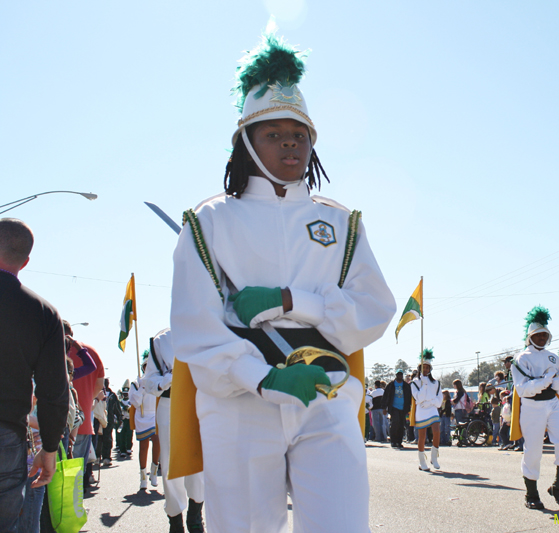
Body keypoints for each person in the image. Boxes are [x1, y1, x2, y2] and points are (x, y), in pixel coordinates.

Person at [169, 23, 396, 533]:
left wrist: (294, 300)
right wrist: (263, 377)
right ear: (246, 144)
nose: (289, 146)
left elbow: (374, 308)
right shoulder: (208, 223)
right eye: (273, 134)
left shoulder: (341, 222)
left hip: (326, 392)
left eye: (299, 136)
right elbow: (195, 329)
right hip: (238, 405)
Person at [0, 218, 69, 532]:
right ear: (25, 262)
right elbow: (54, 391)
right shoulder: (43, 313)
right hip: (7, 437)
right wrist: (50, 448)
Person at [142, 329, 205, 532]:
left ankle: (195, 517)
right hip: (170, 403)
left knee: (199, 463)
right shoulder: (161, 341)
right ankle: (175, 521)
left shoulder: (206, 331)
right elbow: (149, 381)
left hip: (200, 401)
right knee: (170, 466)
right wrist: (168, 379)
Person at [512, 306, 559, 510]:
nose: (541, 338)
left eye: (544, 335)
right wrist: (545, 380)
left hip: (553, 404)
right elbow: (523, 389)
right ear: (530, 336)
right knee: (534, 450)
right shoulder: (522, 358)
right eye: (537, 335)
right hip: (532, 407)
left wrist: (554, 383)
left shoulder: (554, 358)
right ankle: (531, 494)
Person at [65, 321, 104, 494]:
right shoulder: (90, 352)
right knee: (77, 470)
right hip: (81, 420)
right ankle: (74, 508)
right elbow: (98, 381)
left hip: (53, 424)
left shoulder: (48, 354)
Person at [129, 356, 161, 489]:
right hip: (142, 417)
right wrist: (142, 388)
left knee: (157, 441)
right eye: (145, 366)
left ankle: (153, 472)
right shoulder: (136, 384)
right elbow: (135, 402)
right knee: (143, 447)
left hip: (155, 415)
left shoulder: (157, 380)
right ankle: (143, 477)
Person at [410, 350, 443, 471]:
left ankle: (434, 457)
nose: (425, 370)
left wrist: (431, 402)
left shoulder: (436, 383)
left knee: (436, 430)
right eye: (423, 368)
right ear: (419, 369)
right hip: (421, 411)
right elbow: (418, 399)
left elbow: (439, 401)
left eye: (427, 368)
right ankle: (422, 461)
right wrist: (423, 385)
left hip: (432, 409)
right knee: (422, 436)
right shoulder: (415, 383)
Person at [382, 369, 411, 449]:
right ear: (396, 375)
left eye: (401, 374)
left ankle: (399, 441)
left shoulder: (406, 385)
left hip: (403, 408)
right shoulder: (391, 385)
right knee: (395, 423)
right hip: (394, 407)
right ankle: (393, 441)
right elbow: (386, 397)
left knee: (401, 425)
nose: (400, 376)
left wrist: (409, 407)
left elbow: (409, 397)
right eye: (398, 374)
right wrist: (384, 407)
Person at [116, 380, 133, 458]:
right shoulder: (120, 401)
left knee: (129, 434)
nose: (125, 395)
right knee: (122, 435)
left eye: (127, 393)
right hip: (122, 420)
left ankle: (128, 448)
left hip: (129, 419)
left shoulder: (131, 401)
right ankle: (122, 450)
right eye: (124, 393)